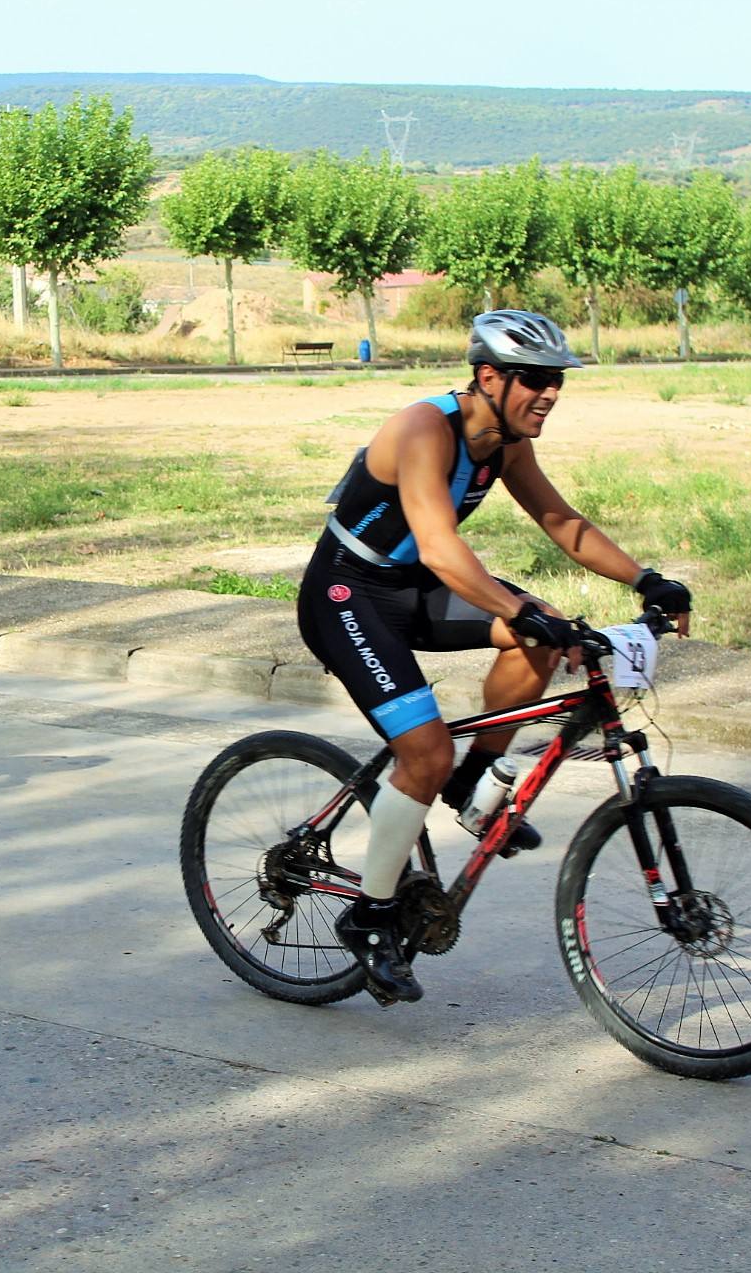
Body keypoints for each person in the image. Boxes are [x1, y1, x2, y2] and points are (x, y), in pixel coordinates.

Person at [296, 310, 692, 1006]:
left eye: (557, 382)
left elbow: (564, 523)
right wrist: (519, 608)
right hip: (346, 593)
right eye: (535, 380)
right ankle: (371, 916)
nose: (550, 394)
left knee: (542, 637)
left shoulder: (505, 442)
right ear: (489, 376)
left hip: (412, 587)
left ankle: (472, 780)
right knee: (423, 751)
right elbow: (443, 549)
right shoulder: (426, 429)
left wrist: (646, 580)